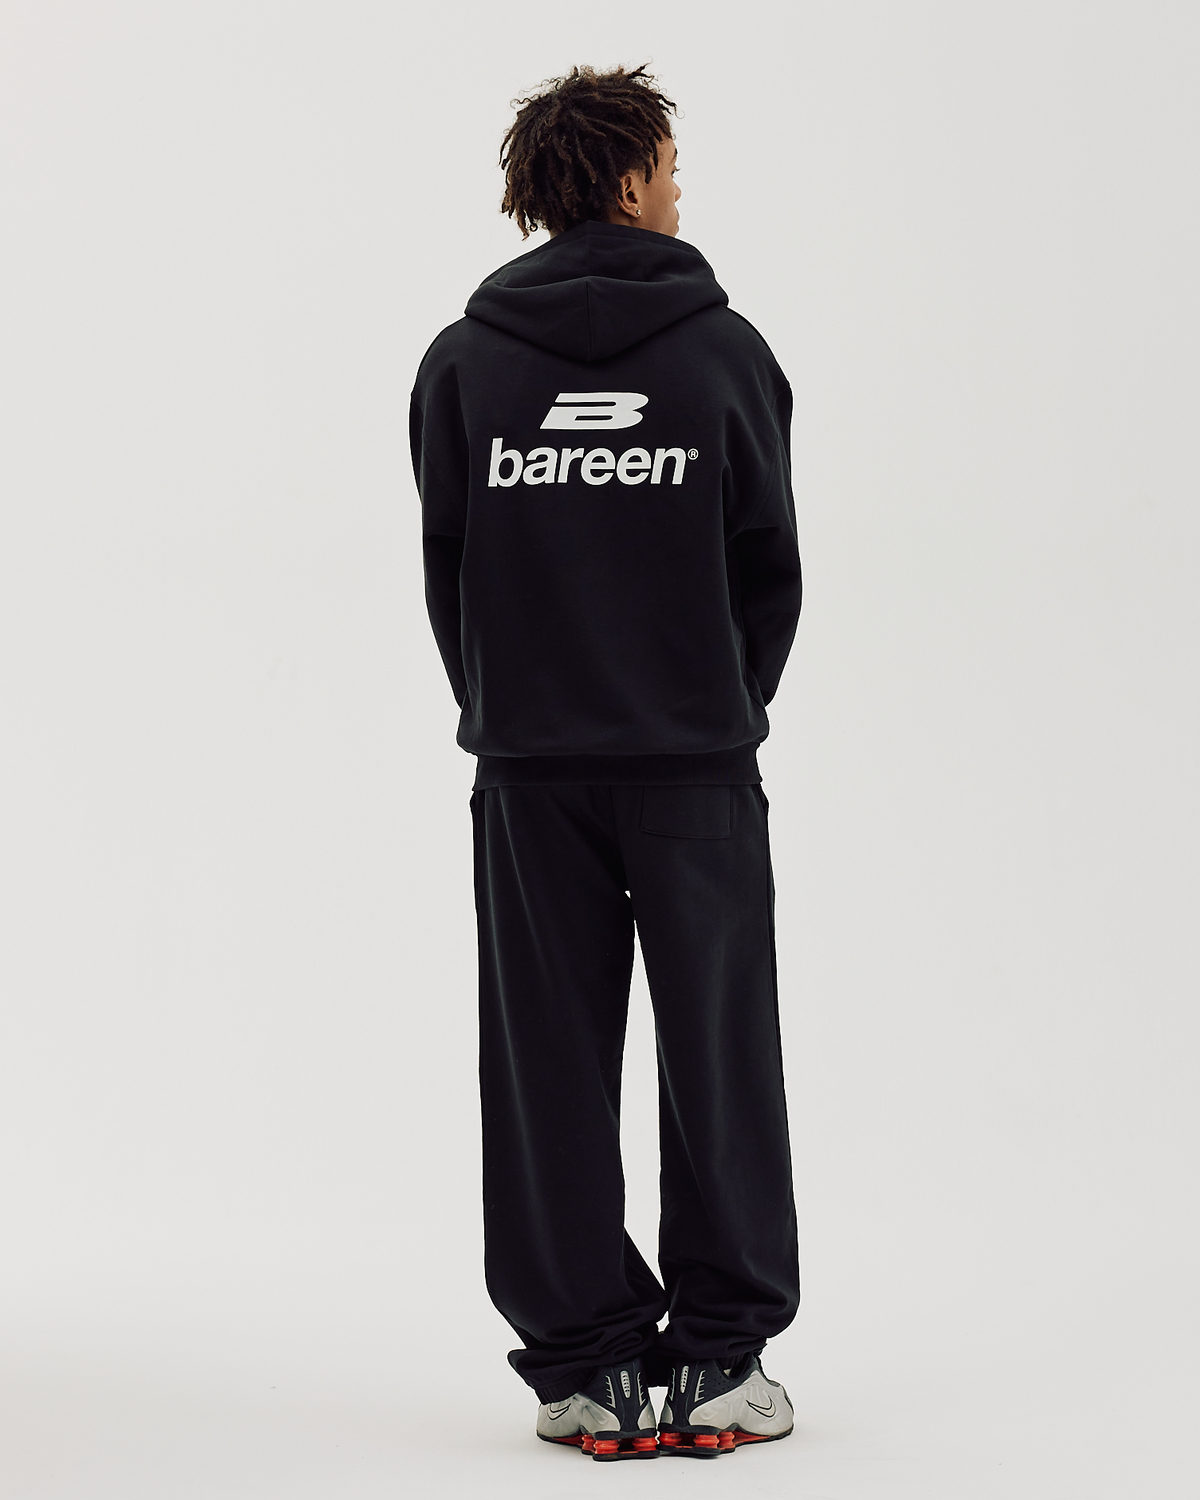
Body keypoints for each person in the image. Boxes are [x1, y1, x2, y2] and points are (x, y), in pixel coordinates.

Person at [410, 64, 802, 1461]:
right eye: (672, 167)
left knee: (546, 1067)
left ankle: (588, 1372)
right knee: (720, 1055)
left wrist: (511, 708)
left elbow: (448, 569)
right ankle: (719, 1364)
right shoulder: (724, 356)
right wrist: (716, 706)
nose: (681, 189)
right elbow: (770, 564)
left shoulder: (466, 365)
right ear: (629, 180)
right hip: (693, 766)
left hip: (532, 773)